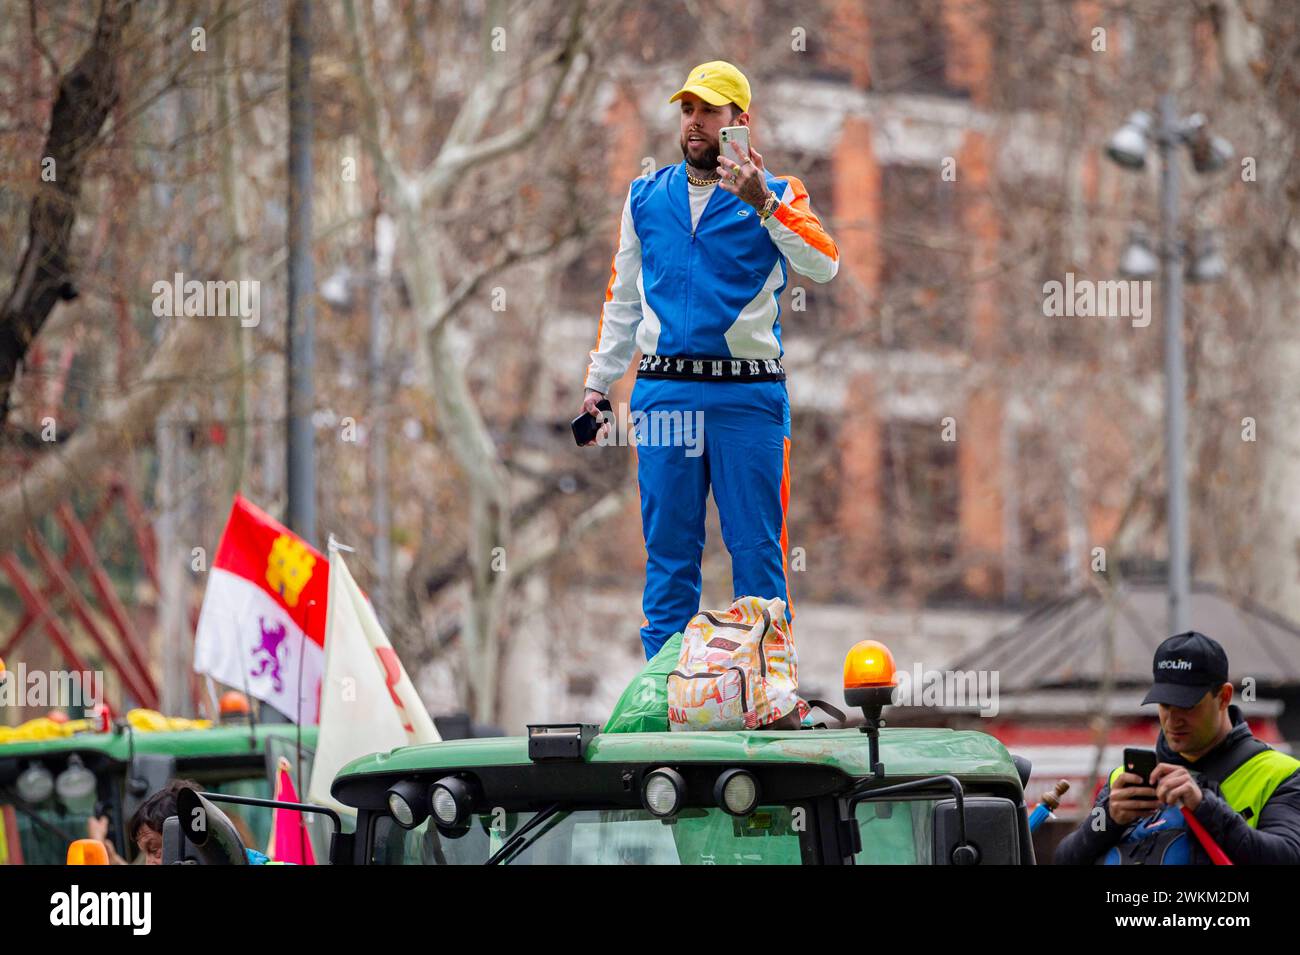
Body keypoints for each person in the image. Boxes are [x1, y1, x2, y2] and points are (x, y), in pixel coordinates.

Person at [580, 60, 839, 659]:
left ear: (739, 122)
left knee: (756, 556)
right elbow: (622, 299)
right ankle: (664, 698)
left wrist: (764, 205)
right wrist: (597, 384)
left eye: (710, 112)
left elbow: (825, 263)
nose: (695, 123)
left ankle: (766, 691)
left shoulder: (780, 194)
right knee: (668, 557)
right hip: (663, 395)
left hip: (746, 401)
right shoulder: (645, 196)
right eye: (688, 111)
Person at [1055, 631, 1300, 864]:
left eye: (1188, 706)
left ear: (1224, 697)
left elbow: (1287, 857)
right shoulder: (1125, 778)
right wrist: (1107, 821)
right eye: (1165, 705)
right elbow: (1064, 859)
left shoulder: (1279, 774)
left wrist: (1204, 807)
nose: (1173, 720)